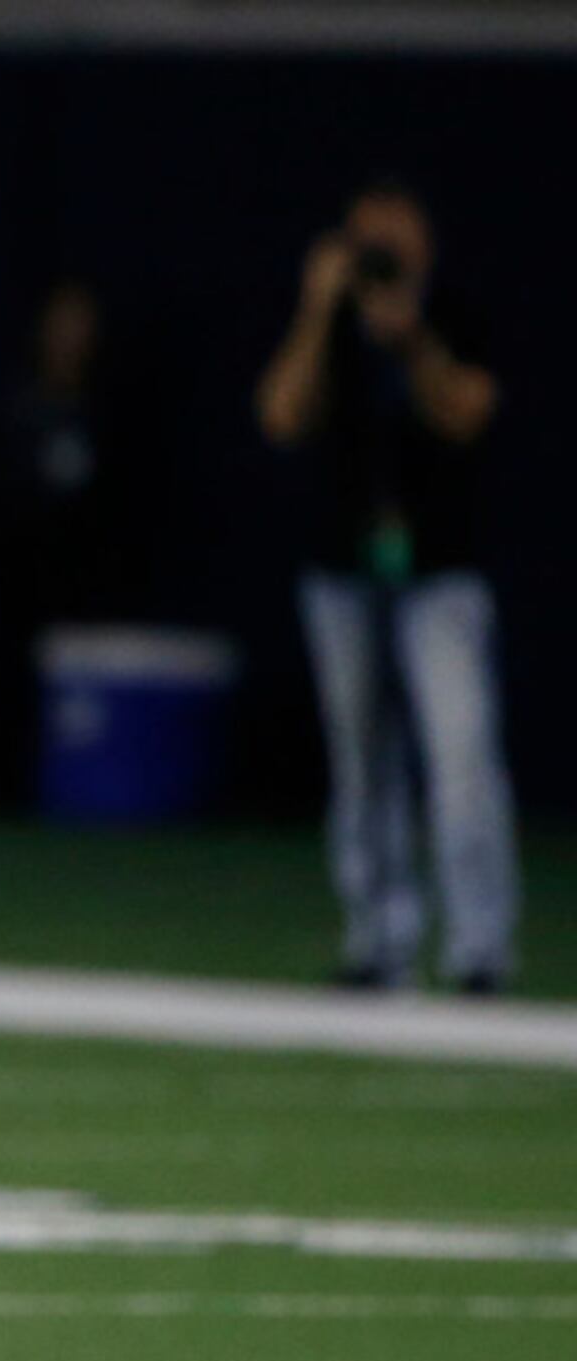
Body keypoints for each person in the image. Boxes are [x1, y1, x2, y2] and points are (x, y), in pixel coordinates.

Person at [255, 182, 516, 993]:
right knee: (362, 765)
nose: (377, 259)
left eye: (391, 245)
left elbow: (471, 411)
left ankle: (478, 949)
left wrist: (413, 341)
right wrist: (315, 307)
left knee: (461, 755)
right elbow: (279, 416)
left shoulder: (456, 316)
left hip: (440, 573)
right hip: (342, 572)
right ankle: (380, 941)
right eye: (364, 242)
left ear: (424, 247)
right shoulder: (329, 325)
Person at [0, 278, 134, 815]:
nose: (70, 337)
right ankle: (1, 799)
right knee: (5, 686)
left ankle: (81, 795)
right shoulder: (15, 404)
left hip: (84, 579)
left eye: (81, 325)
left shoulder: (109, 410)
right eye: (62, 323)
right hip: (14, 573)